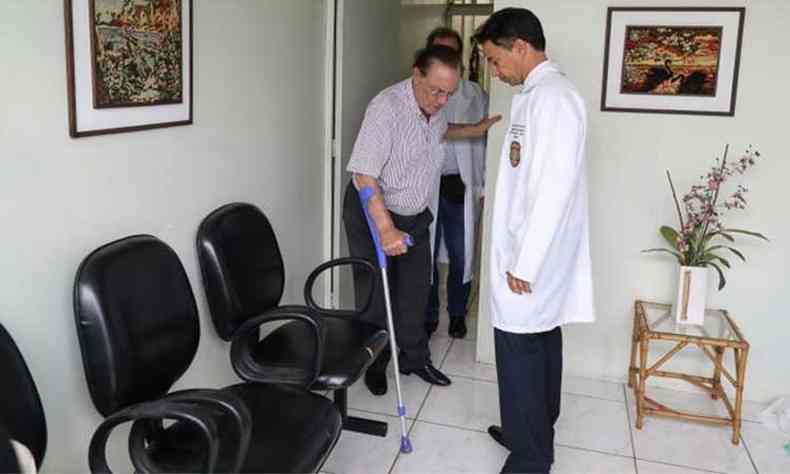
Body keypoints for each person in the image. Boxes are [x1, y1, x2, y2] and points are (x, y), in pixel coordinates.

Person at [473, 8, 595, 474]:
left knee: (522, 349)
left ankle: (530, 457)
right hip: (526, 251)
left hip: (530, 258)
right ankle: (529, 428)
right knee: (539, 342)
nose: (493, 70)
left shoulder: (556, 100)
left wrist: (525, 264)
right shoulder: (536, 95)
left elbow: (555, 189)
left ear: (519, 46)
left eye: (494, 59)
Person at [343, 45, 500, 396]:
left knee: (416, 290)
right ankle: (376, 361)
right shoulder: (386, 108)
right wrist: (385, 229)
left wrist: (476, 129)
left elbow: (442, 129)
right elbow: (364, 175)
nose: (443, 99)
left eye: (449, 92)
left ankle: (414, 358)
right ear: (416, 74)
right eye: (436, 90)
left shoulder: (434, 106)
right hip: (374, 212)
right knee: (376, 295)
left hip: (414, 213)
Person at [424, 27, 489, 340]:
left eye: (452, 52)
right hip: (425, 185)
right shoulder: (418, 91)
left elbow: (488, 140)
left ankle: (458, 314)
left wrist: (486, 185)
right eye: (440, 52)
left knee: (462, 255)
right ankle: (429, 313)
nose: (446, 59)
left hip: (460, 185)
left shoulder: (475, 94)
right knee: (426, 254)